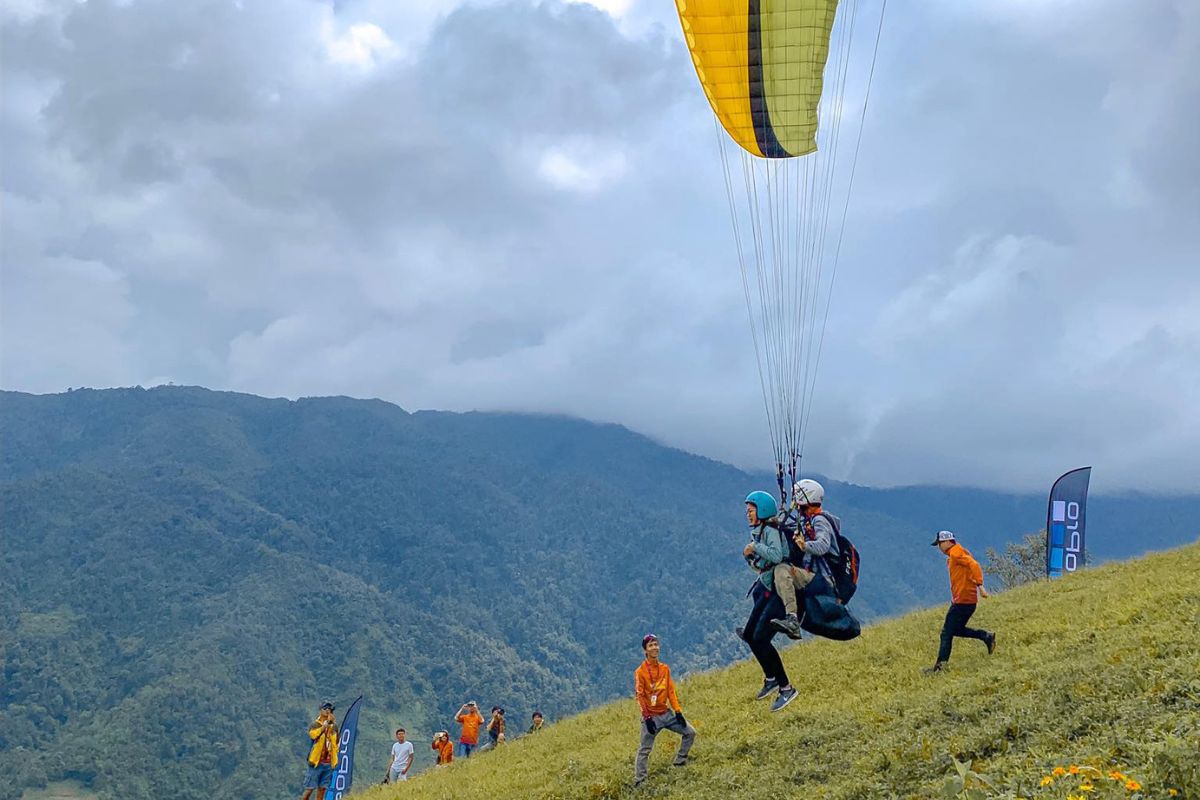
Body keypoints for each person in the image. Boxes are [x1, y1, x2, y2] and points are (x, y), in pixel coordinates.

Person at [739, 491, 800, 712]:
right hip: (767, 586)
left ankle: (786, 687)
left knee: (761, 639)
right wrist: (749, 556)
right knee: (749, 636)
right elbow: (761, 565)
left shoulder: (771, 531)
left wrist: (754, 547)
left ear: (762, 510)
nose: (748, 514)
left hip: (777, 590)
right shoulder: (761, 532)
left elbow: (775, 556)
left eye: (751, 510)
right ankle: (771, 678)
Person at [771, 479, 840, 639]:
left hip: (822, 579)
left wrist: (805, 545)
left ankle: (792, 621)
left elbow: (823, 545)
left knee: (782, 570)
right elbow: (791, 528)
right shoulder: (808, 520)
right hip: (814, 576)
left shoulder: (820, 520)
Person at [925, 530, 996, 673]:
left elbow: (974, 565)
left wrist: (980, 586)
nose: (939, 548)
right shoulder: (956, 553)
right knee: (956, 629)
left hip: (963, 601)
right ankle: (986, 636)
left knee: (946, 633)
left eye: (940, 544)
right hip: (966, 601)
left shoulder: (956, 553)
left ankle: (940, 668)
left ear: (947, 542)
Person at [633, 634, 696, 787]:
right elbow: (640, 695)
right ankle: (640, 780)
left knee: (690, 732)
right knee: (644, 750)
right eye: (650, 645)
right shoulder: (640, 672)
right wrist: (647, 717)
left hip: (666, 713)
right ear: (645, 651)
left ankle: (680, 761)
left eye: (656, 644)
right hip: (651, 718)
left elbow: (670, 691)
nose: (654, 647)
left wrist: (678, 711)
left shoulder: (664, 669)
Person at [300, 702, 338, 800]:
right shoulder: (315, 724)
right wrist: (324, 727)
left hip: (328, 763)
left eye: (330, 709)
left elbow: (336, 742)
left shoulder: (333, 727)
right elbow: (313, 735)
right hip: (316, 762)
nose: (328, 711)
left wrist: (331, 726)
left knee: (322, 789)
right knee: (309, 789)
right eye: (325, 709)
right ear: (320, 710)